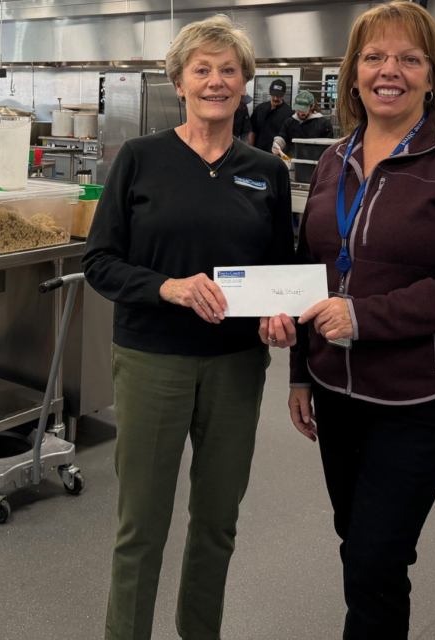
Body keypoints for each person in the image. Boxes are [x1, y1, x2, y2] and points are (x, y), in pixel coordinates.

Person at [260, 2, 435, 637]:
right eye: (373, 57)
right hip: (335, 389)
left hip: (421, 393)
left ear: (433, 76)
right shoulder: (333, 159)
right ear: (353, 74)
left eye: (408, 58)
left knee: (376, 556)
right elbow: (311, 271)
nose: (389, 70)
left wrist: (365, 316)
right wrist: (299, 371)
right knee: (358, 540)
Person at [82, 13, 294, 640]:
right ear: (179, 82)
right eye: (202, 69)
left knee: (218, 521)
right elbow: (99, 262)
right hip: (153, 360)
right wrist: (167, 287)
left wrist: (279, 314)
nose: (215, 81)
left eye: (229, 70)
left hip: (236, 366)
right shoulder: (140, 159)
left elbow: (280, 271)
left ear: (245, 82)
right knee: (141, 524)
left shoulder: (268, 171)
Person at [272, 90, 335, 157]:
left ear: (312, 107)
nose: (300, 113)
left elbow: (329, 147)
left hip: (315, 160)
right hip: (293, 160)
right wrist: (277, 144)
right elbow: (282, 137)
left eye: (304, 109)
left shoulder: (324, 124)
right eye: (298, 109)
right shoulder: (289, 122)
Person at [248, 77, 291, 153]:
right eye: (273, 95)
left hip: (276, 155)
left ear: (285, 93)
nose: (275, 98)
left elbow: (288, 138)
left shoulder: (289, 113)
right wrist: (250, 149)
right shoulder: (260, 108)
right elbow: (252, 130)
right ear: (269, 91)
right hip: (258, 152)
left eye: (279, 95)